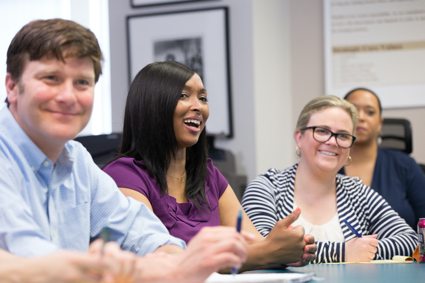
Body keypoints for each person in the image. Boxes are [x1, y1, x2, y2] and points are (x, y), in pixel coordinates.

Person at [0, 18, 248, 283]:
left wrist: (175, 258)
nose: (68, 97)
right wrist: (119, 268)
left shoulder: (77, 160)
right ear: (12, 86)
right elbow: (25, 255)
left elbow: (141, 232)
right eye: (51, 79)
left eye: (82, 83)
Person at [103, 60, 317, 271]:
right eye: (183, 96)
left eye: (203, 98)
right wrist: (268, 252)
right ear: (152, 106)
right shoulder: (123, 175)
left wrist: (284, 250)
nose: (198, 107)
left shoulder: (208, 175)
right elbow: (159, 261)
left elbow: (254, 244)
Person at [242, 95, 418, 263]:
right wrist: (343, 252)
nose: (333, 142)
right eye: (322, 131)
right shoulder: (267, 188)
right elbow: (261, 249)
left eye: (343, 135)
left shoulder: (357, 192)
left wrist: (365, 250)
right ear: (299, 137)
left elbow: (410, 240)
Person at [341, 87, 425, 230]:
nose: (361, 117)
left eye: (370, 112)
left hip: (403, 252)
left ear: (380, 123)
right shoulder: (326, 165)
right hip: (340, 252)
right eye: (353, 111)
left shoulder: (405, 165)